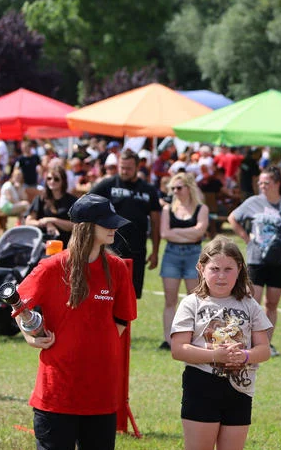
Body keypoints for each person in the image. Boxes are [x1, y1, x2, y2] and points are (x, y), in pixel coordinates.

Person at [14, 195, 137, 450]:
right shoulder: (52, 268)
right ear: (86, 227)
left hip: (101, 389)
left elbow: (120, 319)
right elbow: (20, 307)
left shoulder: (118, 269)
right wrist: (31, 335)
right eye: (107, 222)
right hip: (58, 390)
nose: (114, 227)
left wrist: (95, 354)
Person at [169, 237, 273, 450]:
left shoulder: (250, 305)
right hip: (201, 387)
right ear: (202, 269)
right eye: (215, 269)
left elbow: (263, 350)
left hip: (239, 390)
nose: (222, 276)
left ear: (239, 269)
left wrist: (241, 356)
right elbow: (179, 348)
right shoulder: (192, 304)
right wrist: (214, 354)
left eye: (229, 269)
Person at [227, 165, 281, 357]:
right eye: (260, 183)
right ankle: (247, 342)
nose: (262, 186)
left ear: (277, 184)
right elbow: (233, 218)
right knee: (252, 301)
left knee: (272, 303)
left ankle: (267, 344)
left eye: (266, 183)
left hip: (280, 260)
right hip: (256, 259)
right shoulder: (253, 202)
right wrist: (245, 237)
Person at [90, 148, 163, 299]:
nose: (124, 171)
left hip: (137, 250)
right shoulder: (108, 185)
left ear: (138, 167)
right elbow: (87, 204)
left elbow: (156, 222)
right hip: (110, 249)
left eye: (129, 168)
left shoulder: (148, 190)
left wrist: (155, 252)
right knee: (106, 294)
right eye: (121, 167)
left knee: (131, 296)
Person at [159, 172, 209, 350]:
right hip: (171, 254)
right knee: (170, 299)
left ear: (189, 188)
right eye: (172, 188)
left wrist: (177, 233)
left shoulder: (201, 208)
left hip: (193, 254)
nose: (175, 191)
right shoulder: (168, 209)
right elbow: (165, 233)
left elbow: (199, 232)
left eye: (179, 188)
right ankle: (168, 339)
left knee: (195, 298)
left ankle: (194, 337)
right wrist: (188, 233)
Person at [26, 166, 76, 249]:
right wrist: (47, 224)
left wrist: (53, 220)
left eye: (56, 179)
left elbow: (75, 225)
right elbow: (29, 221)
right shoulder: (40, 199)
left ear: (63, 181)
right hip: (42, 244)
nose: (52, 181)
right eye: (49, 178)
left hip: (66, 245)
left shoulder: (72, 201)